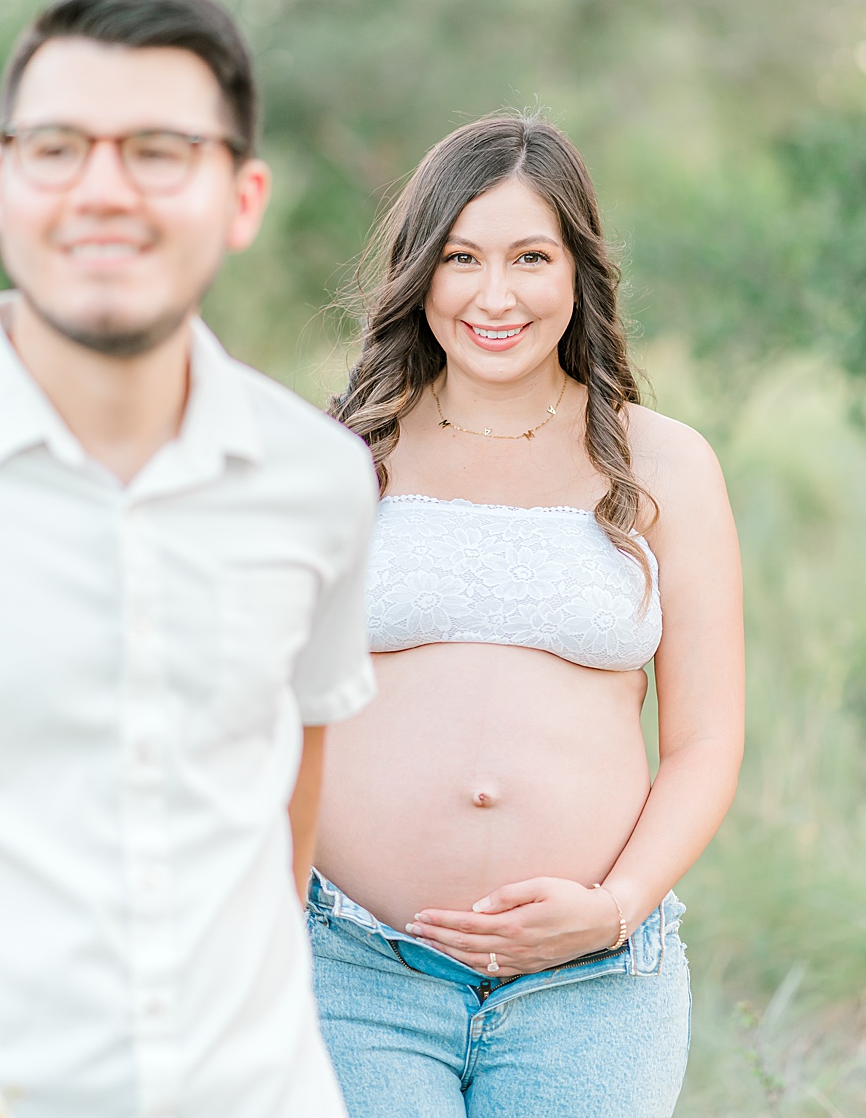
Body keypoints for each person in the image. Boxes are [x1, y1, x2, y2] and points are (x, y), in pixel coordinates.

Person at [0, 0, 378, 1118]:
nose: (103, 190)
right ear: (3, 184)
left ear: (241, 197)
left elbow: (287, 799)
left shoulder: (321, 481)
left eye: (159, 149)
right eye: (56, 147)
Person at [311, 116, 746, 1117]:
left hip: (593, 991)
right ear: (419, 272)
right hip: (353, 974)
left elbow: (705, 741)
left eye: (529, 257)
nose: (493, 295)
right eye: (461, 257)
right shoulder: (334, 458)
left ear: (576, 273)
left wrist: (612, 908)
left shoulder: (663, 464)